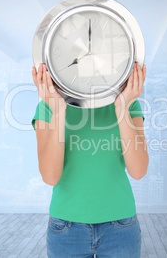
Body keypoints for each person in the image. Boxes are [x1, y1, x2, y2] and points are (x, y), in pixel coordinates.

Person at [31, 62, 148, 258]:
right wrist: (59, 110)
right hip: (66, 228)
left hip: (120, 226)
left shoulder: (128, 104)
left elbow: (138, 171)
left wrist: (122, 107)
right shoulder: (48, 107)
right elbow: (50, 176)